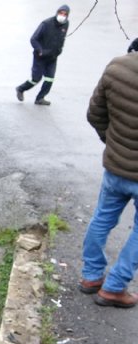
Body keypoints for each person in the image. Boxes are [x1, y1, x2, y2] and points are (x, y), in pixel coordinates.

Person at [79, 38, 138, 308]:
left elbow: (95, 114)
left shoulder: (116, 67)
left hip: (115, 167)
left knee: (102, 219)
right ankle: (114, 287)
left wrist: (112, 144)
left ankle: (91, 277)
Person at [15, 5, 70, 106]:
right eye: (61, 13)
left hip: (53, 57)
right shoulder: (46, 24)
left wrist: (59, 50)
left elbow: (62, 38)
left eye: (65, 14)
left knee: (50, 78)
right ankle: (20, 89)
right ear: (57, 13)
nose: (62, 16)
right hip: (40, 57)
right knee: (36, 78)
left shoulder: (66, 24)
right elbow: (33, 39)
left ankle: (40, 98)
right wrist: (40, 50)